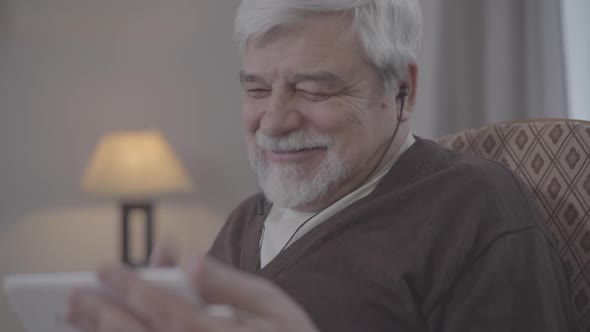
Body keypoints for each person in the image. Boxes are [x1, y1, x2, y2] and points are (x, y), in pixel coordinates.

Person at [66, 0, 575, 331]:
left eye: (314, 88)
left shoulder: (474, 211)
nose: (275, 120)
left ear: (402, 90)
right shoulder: (247, 221)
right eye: (257, 88)